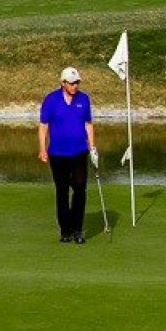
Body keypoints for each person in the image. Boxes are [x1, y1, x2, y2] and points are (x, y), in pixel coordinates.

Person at [38, 67, 98, 243]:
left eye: (77, 82)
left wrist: (93, 148)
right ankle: (65, 230)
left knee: (80, 188)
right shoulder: (51, 100)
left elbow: (88, 124)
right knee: (62, 190)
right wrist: (42, 149)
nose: (75, 86)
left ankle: (78, 229)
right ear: (63, 83)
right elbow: (43, 126)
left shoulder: (84, 99)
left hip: (79, 151)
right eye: (71, 83)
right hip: (57, 153)